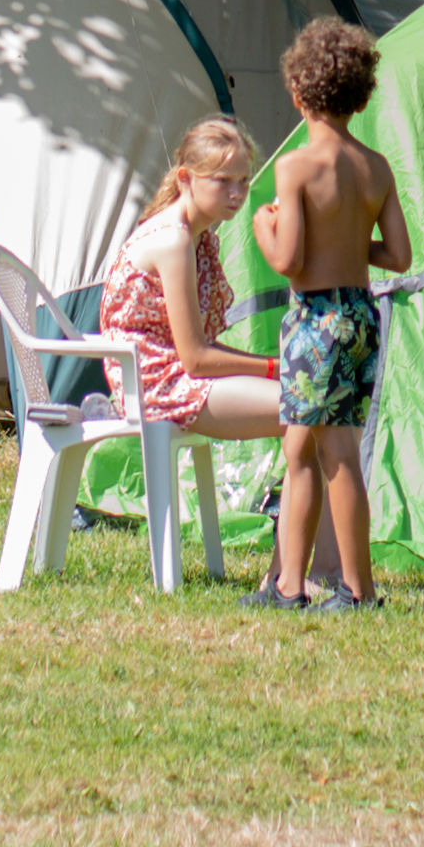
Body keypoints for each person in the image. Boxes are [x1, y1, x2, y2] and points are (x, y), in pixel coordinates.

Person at [253, 20, 408, 610]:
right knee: (299, 449)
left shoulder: (294, 169)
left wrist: (265, 228)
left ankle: (358, 589)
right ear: (361, 96)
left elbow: (289, 262)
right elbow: (397, 255)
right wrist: (346, 244)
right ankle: (288, 584)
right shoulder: (376, 167)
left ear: (297, 94)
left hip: (316, 320)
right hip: (361, 315)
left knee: (336, 452)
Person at [94, 119, 292, 573]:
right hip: (158, 385)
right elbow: (196, 358)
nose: (237, 193)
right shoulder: (174, 239)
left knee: (313, 411)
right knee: (304, 409)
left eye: (243, 180)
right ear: (185, 178)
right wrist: (274, 367)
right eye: (222, 181)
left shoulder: (197, 235)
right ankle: (289, 572)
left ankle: (304, 566)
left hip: (175, 374)